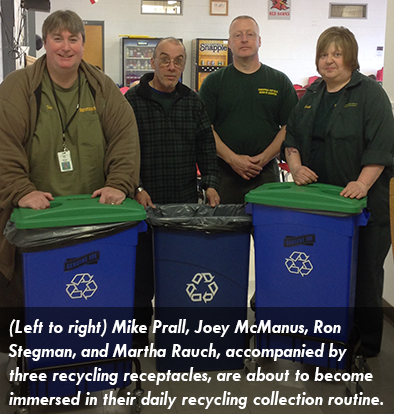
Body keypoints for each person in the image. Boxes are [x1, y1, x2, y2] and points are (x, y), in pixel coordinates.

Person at [0, 10, 140, 351]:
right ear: (45, 43)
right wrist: (21, 191)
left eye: (73, 39)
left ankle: (90, 358)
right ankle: (38, 362)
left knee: (89, 295)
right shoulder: (18, 88)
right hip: (37, 221)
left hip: (91, 219)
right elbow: (4, 143)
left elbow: (125, 138)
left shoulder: (102, 88)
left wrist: (119, 183)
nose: (66, 47)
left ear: (83, 43)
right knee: (37, 300)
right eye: (58, 39)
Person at [282, 26, 394, 358]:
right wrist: (296, 166)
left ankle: (364, 347)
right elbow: (292, 138)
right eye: (323, 54)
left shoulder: (370, 93)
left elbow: (382, 145)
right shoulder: (313, 94)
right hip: (321, 209)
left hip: (364, 208)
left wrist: (362, 183)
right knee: (323, 275)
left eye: (337, 53)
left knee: (364, 280)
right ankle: (323, 340)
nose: (329, 60)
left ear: (350, 57)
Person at [125, 37, 220, 346]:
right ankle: (137, 345)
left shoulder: (193, 101)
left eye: (178, 60)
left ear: (184, 65)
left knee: (177, 273)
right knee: (140, 280)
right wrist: (136, 187)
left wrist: (211, 182)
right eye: (164, 59)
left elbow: (206, 144)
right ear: (152, 62)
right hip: (142, 203)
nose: (171, 66)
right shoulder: (132, 101)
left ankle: (176, 340)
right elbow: (122, 151)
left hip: (181, 204)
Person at [199, 15, 298, 204]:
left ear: (259, 41)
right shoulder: (213, 83)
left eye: (250, 34)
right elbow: (205, 129)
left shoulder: (279, 81)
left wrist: (263, 159)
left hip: (266, 172)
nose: (244, 39)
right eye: (237, 35)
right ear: (229, 43)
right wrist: (233, 159)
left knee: (267, 231)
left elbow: (289, 128)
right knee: (225, 232)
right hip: (224, 173)